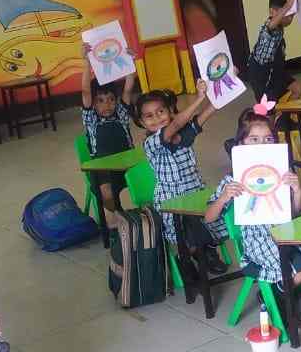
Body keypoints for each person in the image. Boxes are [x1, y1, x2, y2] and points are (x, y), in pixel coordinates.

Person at [204, 104, 301, 317]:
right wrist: (224, 197)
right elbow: (209, 218)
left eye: (268, 139)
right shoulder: (232, 179)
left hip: (288, 231)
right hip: (259, 241)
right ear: (241, 143)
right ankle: (279, 292)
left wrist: (297, 190)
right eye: (254, 139)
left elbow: (294, 213)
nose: (262, 144)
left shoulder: (281, 171)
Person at [136, 83, 228, 275]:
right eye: (149, 116)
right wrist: (199, 98)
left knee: (213, 217)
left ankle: (207, 251)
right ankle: (186, 258)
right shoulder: (151, 143)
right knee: (185, 231)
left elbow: (210, 111)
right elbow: (176, 124)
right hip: (172, 199)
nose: (157, 118)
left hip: (195, 191)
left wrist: (225, 83)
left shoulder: (184, 135)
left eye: (161, 111)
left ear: (170, 111)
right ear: (142, 123)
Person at [80, 41, 139, 216]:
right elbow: (85, 91)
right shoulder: (91, 119)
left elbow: (127, 90)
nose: (107, 105)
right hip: (103, 167)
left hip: (128, 163)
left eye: (111, 100)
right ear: (93, 103)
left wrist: (130, 64)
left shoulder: (120, 114)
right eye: (100, 101)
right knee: (106, 193)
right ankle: (120, 215)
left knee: (148, 179)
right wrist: (87, 62)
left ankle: (144, 216)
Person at [247, 0, 301, 105]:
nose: (290, 19)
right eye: (288, 15)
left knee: (297, 88)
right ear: (272, 12)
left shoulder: (280, 28)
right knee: (269, 107)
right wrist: (287, 6)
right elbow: (271, 25)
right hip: (262, 75)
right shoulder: (269, 27)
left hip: (276, 71)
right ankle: (273, 115)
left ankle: (284, 114)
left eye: (292, 16)